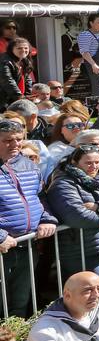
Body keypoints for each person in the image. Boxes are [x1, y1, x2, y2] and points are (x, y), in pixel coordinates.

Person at [43, 144, 99, 283]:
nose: (94, 166)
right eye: (88, 163)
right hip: (77, 249)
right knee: (96, 286)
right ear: (75, 162)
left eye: (96, 162)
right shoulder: (63, 183)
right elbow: (78, 216)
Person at [0, 117, 59, 318]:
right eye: (7, 140)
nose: (15, 144)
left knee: (21, 299)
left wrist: (47, 219)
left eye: (18, 139)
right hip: (4, 246)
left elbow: (40, 196)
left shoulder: (28, 165)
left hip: (26, 245)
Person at [77, 16, 99, 97]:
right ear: (91, 23)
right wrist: (93, 64)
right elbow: (84, 52)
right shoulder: (85, 35)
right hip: (95, 69)